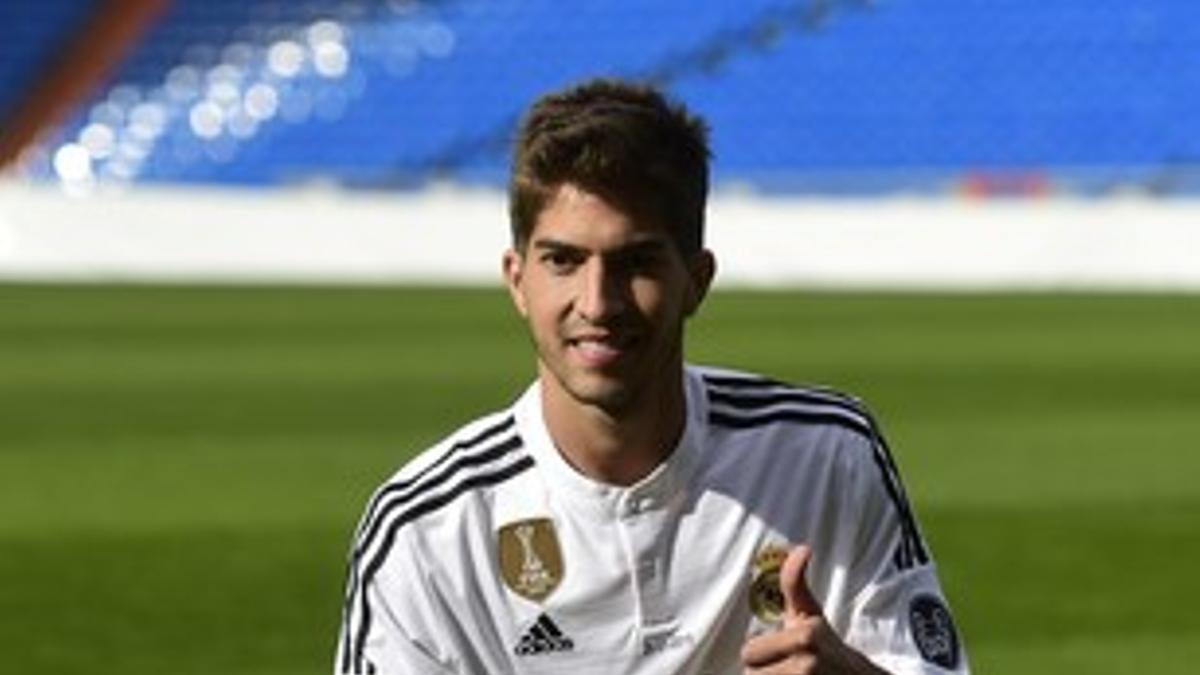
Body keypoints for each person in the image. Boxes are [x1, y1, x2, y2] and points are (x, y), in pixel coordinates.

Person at [334, 78, 968, 675]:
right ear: (516, 279)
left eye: (635, 263)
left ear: (696, 279)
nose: (598, 303)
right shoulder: (428, 528)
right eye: (562, 260)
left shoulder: (826, 453)